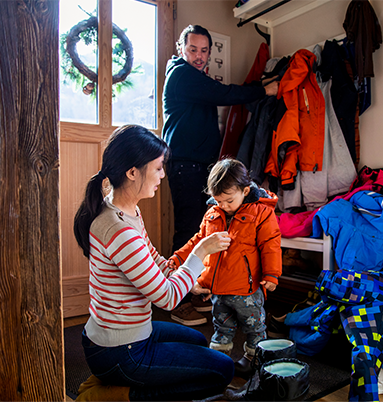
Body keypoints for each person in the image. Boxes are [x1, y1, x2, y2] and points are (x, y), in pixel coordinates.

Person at [72, 125, 234, 402]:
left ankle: (116, 380)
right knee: (222, 371)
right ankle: (116, 394)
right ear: (132, 172)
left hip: (127, 334)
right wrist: (201, 252)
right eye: (158, 168)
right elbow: (167, 298)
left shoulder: (125, 210)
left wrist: (191, 284)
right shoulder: (118, 229)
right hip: (121, 350)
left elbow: (155, 260)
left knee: (197, 341)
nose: (163, 175)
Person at [162, 24, 279, 325]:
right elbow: (224, 93)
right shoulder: (181, 74)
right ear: (180, 49)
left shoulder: (193, 76)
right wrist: (263, 90)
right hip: (186, 164)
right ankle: (177, 301)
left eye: (204, 51)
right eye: (192, 50)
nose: (199, 56)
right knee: (190, 229)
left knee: (201, 228)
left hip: (197, 165)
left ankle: (196, 290)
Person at [167, 158, 282, 379]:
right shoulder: (212, 213)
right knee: (221, 328)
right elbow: (197, 241)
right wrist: (178, 258)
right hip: (218, 291)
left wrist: (271, 274)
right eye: (219, 201)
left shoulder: (261, 212)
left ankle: (254, 362)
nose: (224, 206)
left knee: (255, 329)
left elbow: (271, 244)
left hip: (247, 290)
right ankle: (217, 363)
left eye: (229, 200)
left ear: (245, 190)